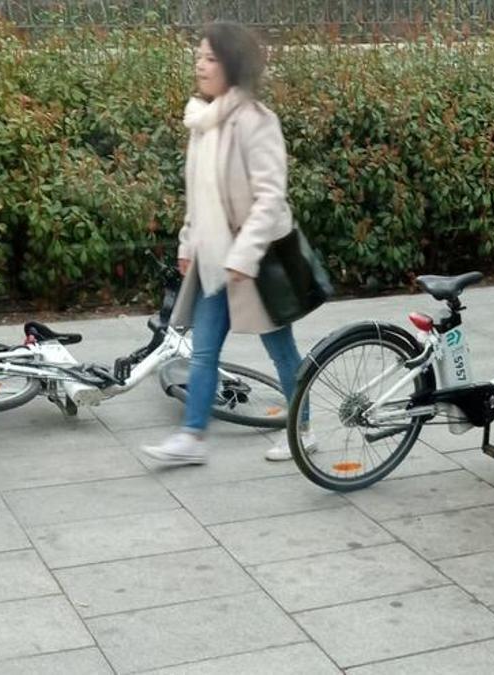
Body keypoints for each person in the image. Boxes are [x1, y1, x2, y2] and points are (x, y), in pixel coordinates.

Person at [141, 22, 314, 465]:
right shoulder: (202, 119)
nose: (199, 64)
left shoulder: (257, 122)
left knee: (280, 349)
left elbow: (270, 198)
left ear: (232, 65)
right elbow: (198, 194)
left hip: (252, 260)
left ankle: (303, 430)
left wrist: (245, 254)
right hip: (214, 258)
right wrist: (187, 243)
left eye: (211, 57)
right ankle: (193, 437)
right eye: (198, 55)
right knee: (203, 350)